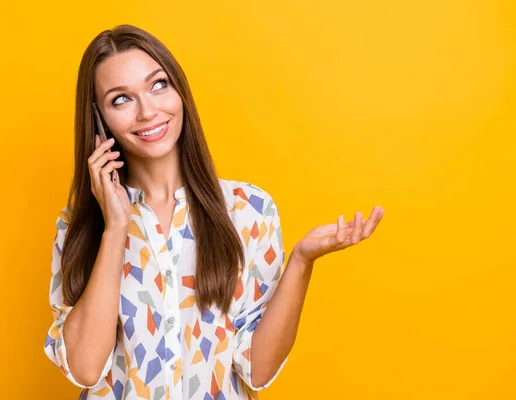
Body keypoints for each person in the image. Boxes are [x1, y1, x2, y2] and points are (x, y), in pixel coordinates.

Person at [43, 24, 385, 400]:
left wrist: (302, 262)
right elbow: (85, 369)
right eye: (121, 99)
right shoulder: (83, 223)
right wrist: (116, 227)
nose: (148, 111)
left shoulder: (249, 210)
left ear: (179, 90)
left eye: (158, 85)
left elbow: (257, 370)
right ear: (99, 117)